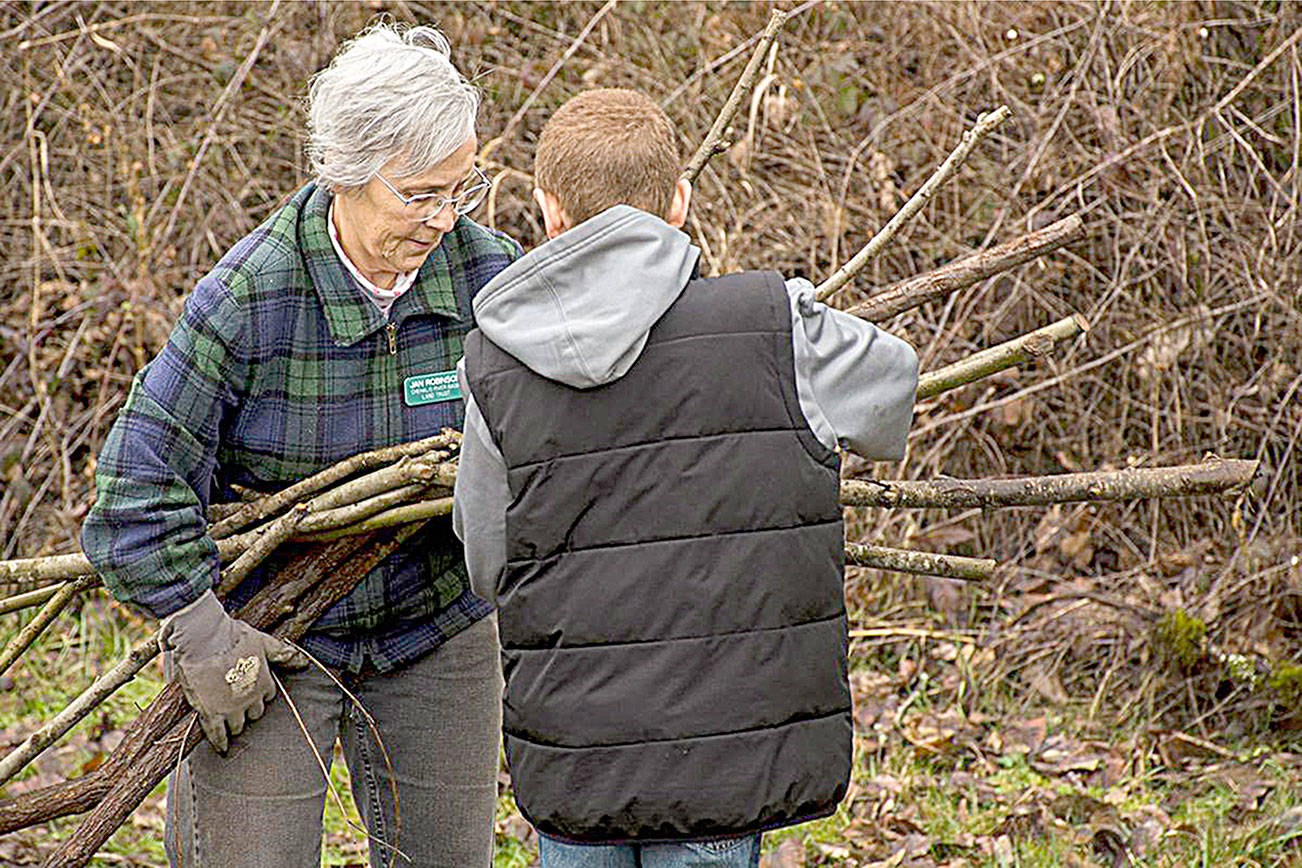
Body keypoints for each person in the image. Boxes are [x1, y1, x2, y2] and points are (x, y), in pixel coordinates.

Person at [81, 22, 519, 868]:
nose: (443, 219)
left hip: (437, 622)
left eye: (460, 190)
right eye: (421, 195)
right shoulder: (251, 299)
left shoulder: (491, 279)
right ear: (348, 175)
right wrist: (202, 630)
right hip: (278, 635)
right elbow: (133, 489)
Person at [453, 88, 920, 868]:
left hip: (577, 758)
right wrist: (793, 316)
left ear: (546, 210)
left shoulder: (494, 365)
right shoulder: (775, 325)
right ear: (680, 200)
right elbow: (892, 394)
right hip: (728, 757)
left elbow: (486, 562)